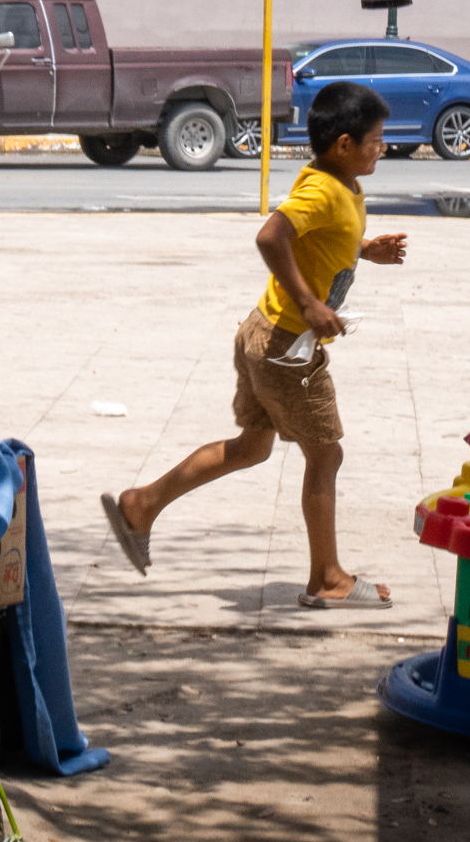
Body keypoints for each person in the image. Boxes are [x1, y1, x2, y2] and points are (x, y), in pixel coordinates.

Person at [101, 79, 410, 608]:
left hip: (263, 334)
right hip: (287, 347)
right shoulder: (324, 187)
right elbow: (272, 236)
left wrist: (363, 249)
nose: (381, 147)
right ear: (343, 144)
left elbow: (324, 235)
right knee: (325, 454)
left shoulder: (337, 184)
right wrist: (312, 304)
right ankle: (327, 578)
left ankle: (142, 504)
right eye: (375, 140)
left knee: (251, 446)